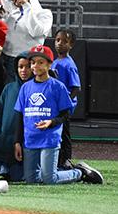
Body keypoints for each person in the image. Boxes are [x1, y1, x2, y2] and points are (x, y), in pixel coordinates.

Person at [14, 46, 103, 185]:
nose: (35, 66)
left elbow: (66, 114)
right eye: (33, 62)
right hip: (30, 139)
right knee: (31, 180)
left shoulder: (58, 86)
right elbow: (20, 117)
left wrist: (52, 122)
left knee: (49, 179)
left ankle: (80, 172)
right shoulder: (25, 87)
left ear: (50, 64)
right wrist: (17, 142)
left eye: (40, 62)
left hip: (49, 138)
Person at [0, 52, 29, 181]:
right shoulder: (9, 88)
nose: (24, 70)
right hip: (2, 145)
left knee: (18, 178)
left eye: (27, 67)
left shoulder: (34, 89)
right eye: (20, 67)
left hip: (22, 149)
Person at [0, 0, 52, 82]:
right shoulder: (12, 15)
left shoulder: (44, 14)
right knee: (12, 93)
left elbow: (35, 31)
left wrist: (26, 5)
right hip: (8, 61)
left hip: (29, 61)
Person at [52, 29, 81, 169]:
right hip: (56, 105)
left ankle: (66, 160)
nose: (60, 44)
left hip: (64, 106)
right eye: (58, 40)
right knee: (58, 131)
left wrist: (66, 102)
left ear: (71, 44)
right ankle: (58, 159)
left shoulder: (69, 64)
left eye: (64, 41)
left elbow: (76, 87)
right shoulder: (55, 61)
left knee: (65, 132)